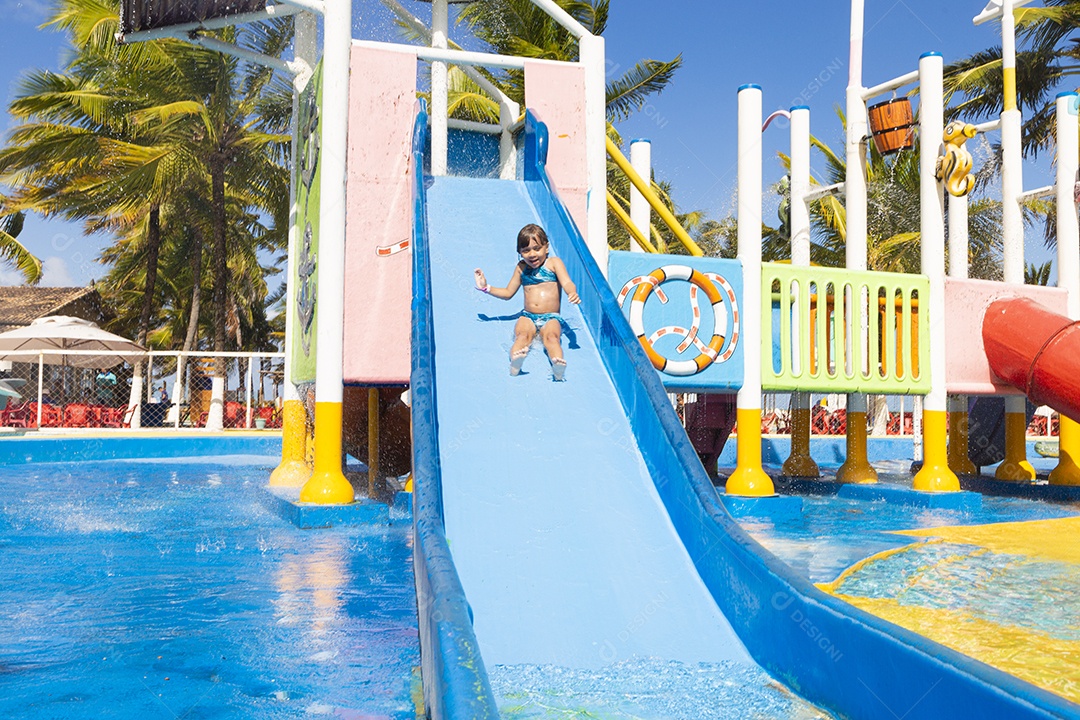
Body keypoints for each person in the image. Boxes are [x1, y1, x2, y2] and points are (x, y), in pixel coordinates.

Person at [474, 223, 580, 381]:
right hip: (528, 315)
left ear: (546, 247)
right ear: (520, 253)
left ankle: (557, 367)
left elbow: (567, 282)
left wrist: (572, 292)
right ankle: (515, 363)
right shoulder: (521, 268)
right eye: (526, 250)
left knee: (552, 337)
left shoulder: (554, 263)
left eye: (537, 248)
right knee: (522, 336)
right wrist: (486, 287)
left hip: (551, 316)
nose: (532, 254)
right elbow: (508, 293)